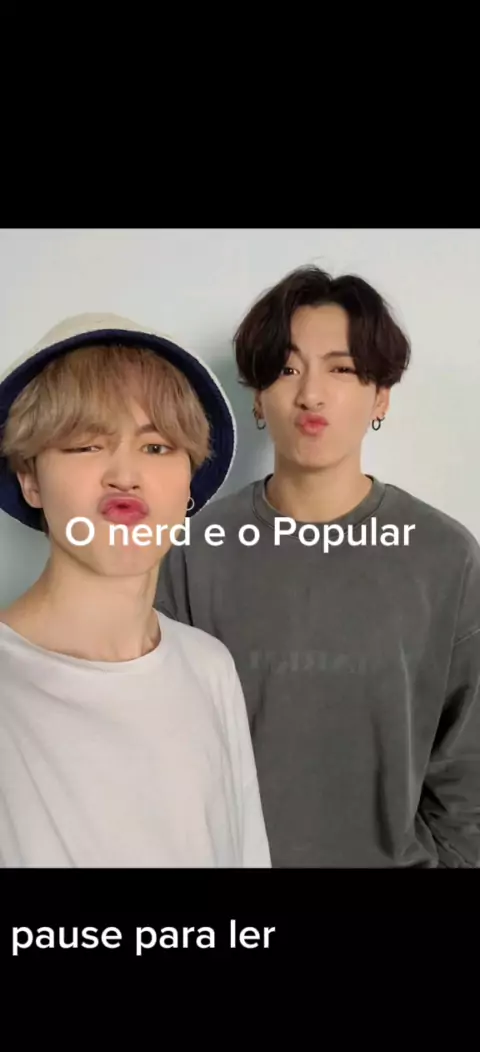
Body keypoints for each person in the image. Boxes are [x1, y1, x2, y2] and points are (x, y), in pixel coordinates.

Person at [156, 266, 480, 869]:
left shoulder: (446, 556)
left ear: (380, 396)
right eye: (286, 369)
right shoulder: (194, 548)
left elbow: (467, 765)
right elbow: (161, 744)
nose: (311, 394)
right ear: (257, 397)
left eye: (342, 369)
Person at [0, 312, 271, 869]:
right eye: (85, 445)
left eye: (156, 447)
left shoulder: (209, 668)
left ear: (189, 485)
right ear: (30, 479)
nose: (124, 474)